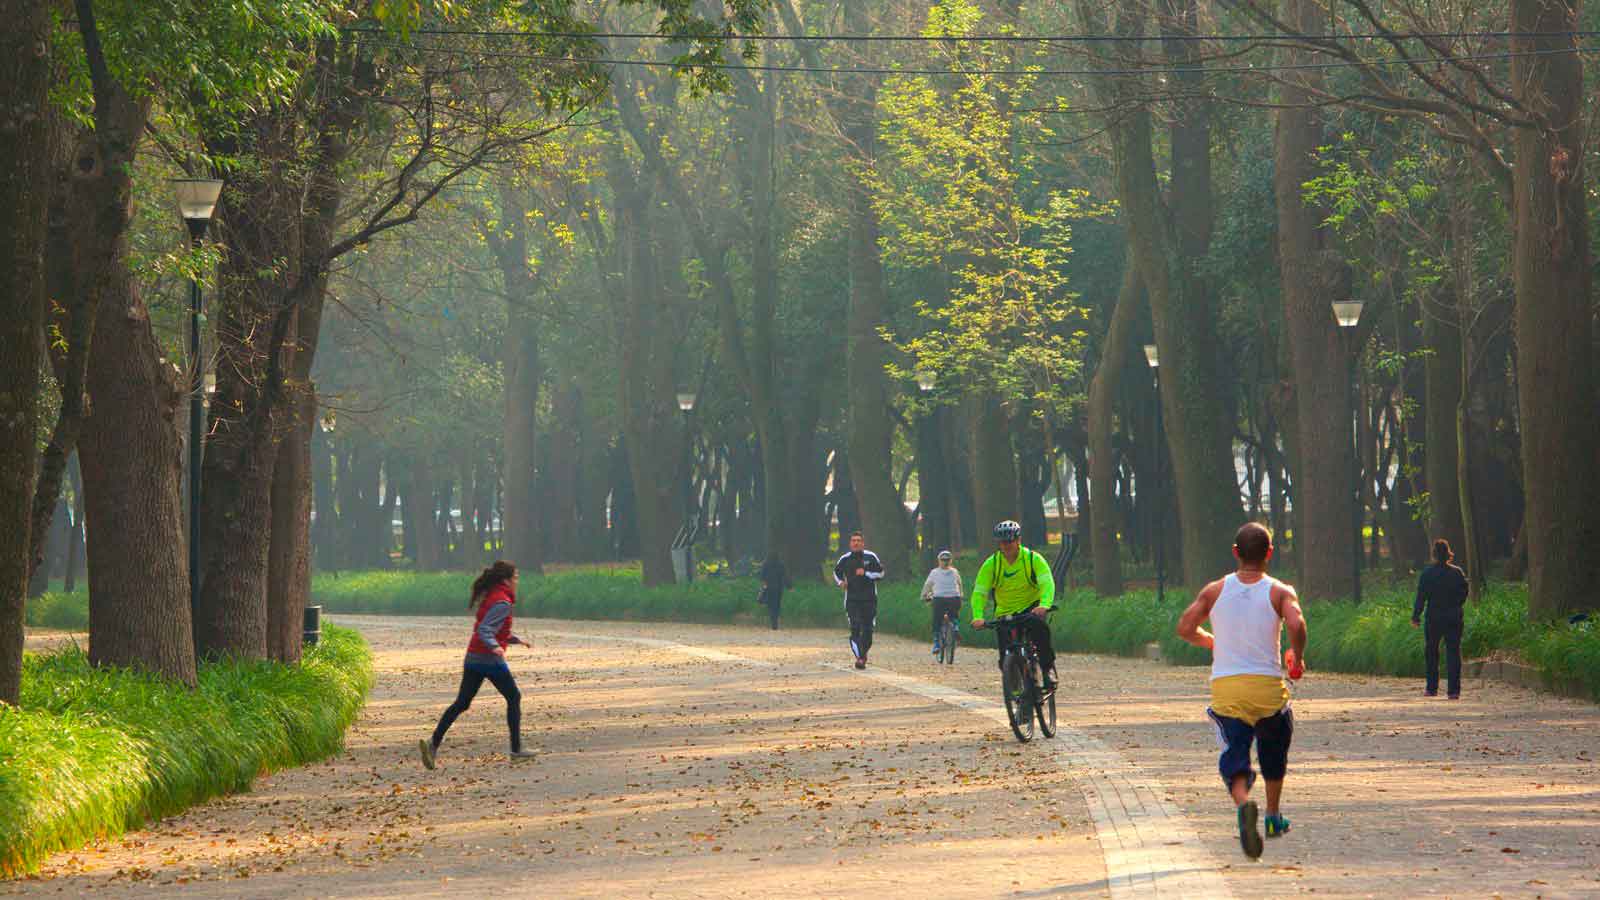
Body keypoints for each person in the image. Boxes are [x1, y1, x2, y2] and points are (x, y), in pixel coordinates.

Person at [1176, 522, 1307, 860]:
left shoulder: (1215, 590)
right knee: (1274, 748)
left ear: (1235, 552)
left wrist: (1210, 642)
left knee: (1235, 753)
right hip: (1267, 688)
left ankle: (1243, 804)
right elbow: (1296, 624)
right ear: (1269, 554)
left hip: (1228, 690)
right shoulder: (1280, 591)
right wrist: (1297, 657)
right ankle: (1274, 817)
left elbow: (1185, 627)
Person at [419, 561, 537, 769]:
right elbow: (485, 630)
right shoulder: (502, 602)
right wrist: (495, 647)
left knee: (462, 703)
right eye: (516, 577)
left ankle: (432, 744)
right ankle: (516, 750)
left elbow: (495, 629)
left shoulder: (493, 596)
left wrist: (516, 641)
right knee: (514, 696)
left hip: (473, 658)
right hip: (489, 660)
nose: (517, 582)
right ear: (506, 580)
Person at [970, 520, 1057, 692]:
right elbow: (979, 593)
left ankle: (1048, 671)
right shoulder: (992, 564)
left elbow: (1047, 583)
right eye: (1002, 542)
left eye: (1010, 541)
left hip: (1031, 608)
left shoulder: (1033, 559)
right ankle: (1018, 697)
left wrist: (1044, 605)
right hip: (1005, 613)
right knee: (1006, 660)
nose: (1006, 545)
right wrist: (977, 616)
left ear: (1018, 540)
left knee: (1040, 631)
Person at [1412, 538, 1469, 699]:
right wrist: (1457, 605)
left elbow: (1421, 596)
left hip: (1434, 617)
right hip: (1453, 616)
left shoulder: (1427, 573)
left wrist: (1416, 616)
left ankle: (1431, 688)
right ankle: (1454, 691)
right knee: (1453, 652)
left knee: (1431, 652)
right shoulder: (1457, 572)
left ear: (1434, 554)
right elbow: (1464, 592)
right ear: (1448, 554)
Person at [834, 532, 885, 669]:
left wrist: (867, 574)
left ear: (863, 543)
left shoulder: (871, 557)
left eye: (858, 541)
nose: (856, 543)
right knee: (855, 628)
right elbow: (836, 573)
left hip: (869, 599)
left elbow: (881, 573)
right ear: (850, 543)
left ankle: (863, 652)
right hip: (852, 599)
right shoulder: (845, 559)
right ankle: (860, 658)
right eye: (853, 541)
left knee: (868, 630)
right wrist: (840, 583)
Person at [922, 550, 964, 657]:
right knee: (954, 613)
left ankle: (936, 643)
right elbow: (959, 584)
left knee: (937, 619)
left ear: (939, 561)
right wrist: (961, 596)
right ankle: (955, 626)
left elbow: (927, 585)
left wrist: (924, 596)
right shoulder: (955, 572)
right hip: (955, 598)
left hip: (939, 599)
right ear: (951, 561)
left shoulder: (934, 572)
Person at [759, 553, 788, 630]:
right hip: (778, 588)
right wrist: (789, 585)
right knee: (777, 605)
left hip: (769, 588)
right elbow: (784, 576)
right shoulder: (781, 564)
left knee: (770, 605)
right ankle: (775, 620)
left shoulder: (765, 564)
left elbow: (762, 576)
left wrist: (764, 585)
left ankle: (773, 621)